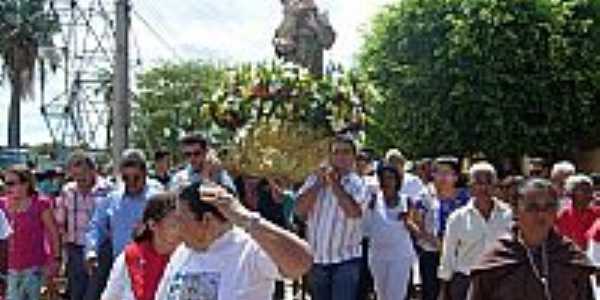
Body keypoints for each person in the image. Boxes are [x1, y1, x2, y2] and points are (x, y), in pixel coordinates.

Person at [155, 181, 313, 299]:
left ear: (206, 220)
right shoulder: (182, 253)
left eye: (181, 219)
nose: (176, 227)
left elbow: (302, 262)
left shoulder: (250, 249)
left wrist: (247, 219)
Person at [468, 178, 596, 300]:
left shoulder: (570, 257)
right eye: (532, 208)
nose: (541, 214)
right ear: (515, 211)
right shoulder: (496, 260)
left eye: (548, 207)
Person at [295, 134, 367, 300]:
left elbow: (353, 212)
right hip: (317, 260)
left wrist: (334, 184)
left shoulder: (358, 183)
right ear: (330, 156)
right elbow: (299, 210)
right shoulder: (314, 179)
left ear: (353, 157)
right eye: (336, 152)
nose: (340, 157)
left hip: (346, 262)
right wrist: (319, 184)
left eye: (346, 152)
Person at [438, 162, 513, 300]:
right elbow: (448, 256)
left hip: (501, 281)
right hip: (466, 281)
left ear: (495, 185)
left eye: (488, 182)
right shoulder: (457, 218)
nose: (483, 187)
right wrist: (444, 290)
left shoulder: (510, 215)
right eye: (478, 182)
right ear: (470, 186)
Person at [85, 149, 162, 273]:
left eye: (136, 178)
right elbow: (97, 226)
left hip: (152, 267)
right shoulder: (112, 199)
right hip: (120, 267)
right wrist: (91, 250)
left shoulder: (157, 198)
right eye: (126, 178)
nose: (131, 182)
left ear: (145, 174)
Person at [55, 150, 113, 300]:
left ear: (93, 170)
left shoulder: (108, 190)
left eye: (82, 176)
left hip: (99, 250)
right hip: (74, 249)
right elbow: (60, 222)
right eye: (75, 176)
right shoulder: (67, 191)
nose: (79, 180)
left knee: (95, 292)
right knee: (76, 293)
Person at [101, 192, 180, 300]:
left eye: (184, 223)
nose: (182, 230)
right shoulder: (130, 257)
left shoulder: (189, 257)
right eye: (174, 225)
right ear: (152, 225)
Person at [411, 156, 469, 300]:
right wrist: (432, 240)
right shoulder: (424, 196)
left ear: (456, 177)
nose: (442, 177)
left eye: (447, 173)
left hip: (459, 254)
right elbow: (414, 222)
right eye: (438, 172)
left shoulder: (465, 198)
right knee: (431, 292)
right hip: (431, 253)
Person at [1, 165, 61, 300]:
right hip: (9, 270)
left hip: (36, 269)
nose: (6, 187)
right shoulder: (1, 205)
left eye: (11, 183)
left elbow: (54, 234)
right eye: (5, 182)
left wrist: (56, 259)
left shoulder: (41, 204)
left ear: (26, 184)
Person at [364, 165, 417, 300]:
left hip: (400, 256)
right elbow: (365, 228)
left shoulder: (407, 201)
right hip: (377, 256)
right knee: (382, 295)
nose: (386, 182)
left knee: (396, 296)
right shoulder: (373, 200)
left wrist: (408, 222)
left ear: (397, 181)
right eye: (383, 178)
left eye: (390, 178)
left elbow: (416, 231)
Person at [170, 133, 237, 193]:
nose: (192, 158)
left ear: (205, 153)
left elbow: (232, 195)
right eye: (188, 154)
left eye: (197, 153)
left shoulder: (219, 173)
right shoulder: (179, 177)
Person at [555, 174, 600, 250]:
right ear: (571, 192)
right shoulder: (563, 216)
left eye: (591, 191)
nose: (590, 195)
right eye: (584, 191)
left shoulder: (597, 213)